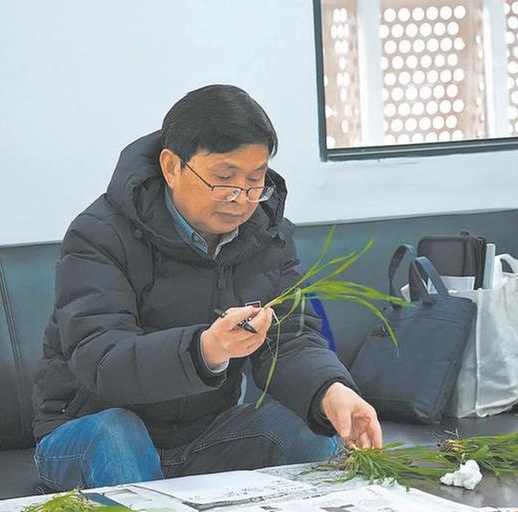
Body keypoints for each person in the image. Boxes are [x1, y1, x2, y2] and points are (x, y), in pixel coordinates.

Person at [32, 85, 381, 490]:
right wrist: (205, 351)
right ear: (171, 167)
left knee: (311, 432)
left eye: (255, 180)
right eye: (224, 178)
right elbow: (102, 359)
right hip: (88, 433)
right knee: (118, 434)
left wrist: (329, 390)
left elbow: (291, 339)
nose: (241, 199)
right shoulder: (98, 236)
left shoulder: (265, 236)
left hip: (205, 435)